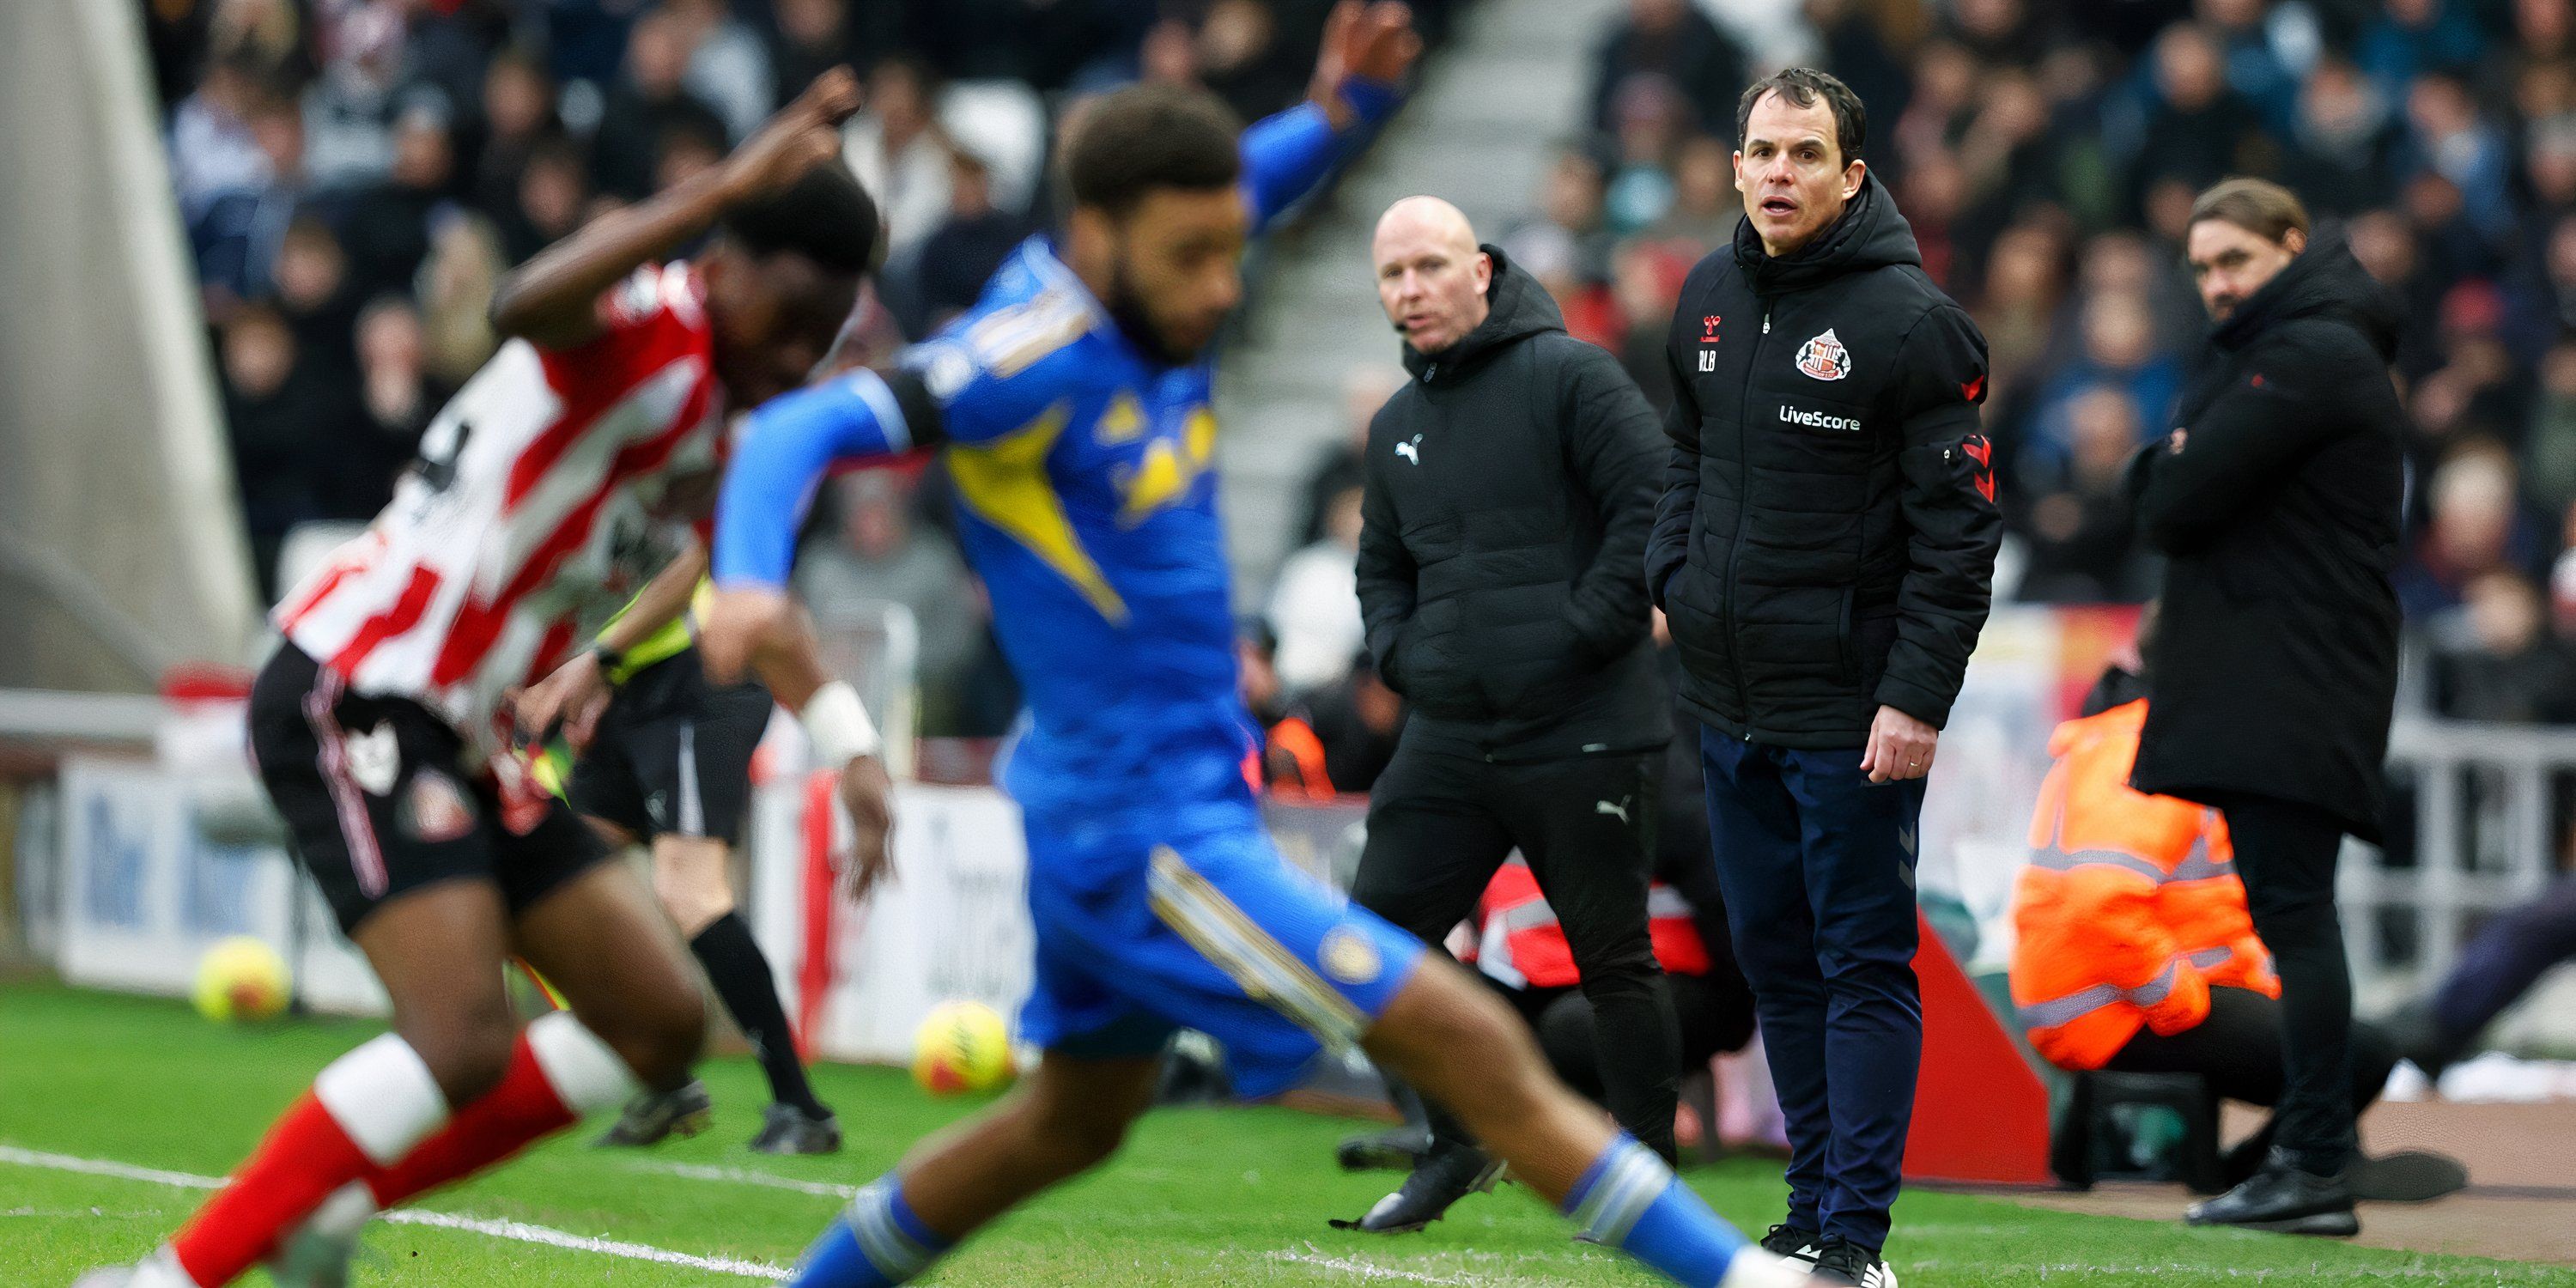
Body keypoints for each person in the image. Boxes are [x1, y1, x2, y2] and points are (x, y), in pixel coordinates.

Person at [698, 10, 1804, 1287]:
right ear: (1095, 233)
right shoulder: (1023, 356)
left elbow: (1255, 181)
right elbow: (790, 432)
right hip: (1143, 828)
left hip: (1142, 795)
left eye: (1231, 248)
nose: (1223, 286)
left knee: (1066, 1125)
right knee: (1465, 1039)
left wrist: (1340, 111)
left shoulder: (1167, 266)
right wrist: (746, 580)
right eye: (1193, 258)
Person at [77, 74, 890, 1288]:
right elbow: (522, 302)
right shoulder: (648, 325)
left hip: (462, 727)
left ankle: (322, 1208)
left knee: (658, 1019)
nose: (793, 357)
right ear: (725, 268)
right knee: (463, 1035)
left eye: (818, 339)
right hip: (364, 678)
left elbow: (749, 595)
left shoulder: (742, 421)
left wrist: (851, 741)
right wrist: (720, 186)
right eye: (784, 322)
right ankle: (166, 1280)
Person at [1645, 67, 2001, 1287]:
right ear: (1735, 167)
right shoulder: (1706, 294)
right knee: (1774, 960)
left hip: (1852, 713)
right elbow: (1684, 455)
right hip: (1727, 698)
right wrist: (1673, 575)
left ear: (1853, 176)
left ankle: (1856, 1239)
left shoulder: (1913, 324)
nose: (1778, 173)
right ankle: (1806, 1212)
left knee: (1860, 963)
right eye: (1762, 152)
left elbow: (1960, 537)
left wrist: (1916, 699)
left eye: (1804, 154)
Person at [1339, 194, 1680, 1233]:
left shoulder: (1572, 376)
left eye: (1431, 267)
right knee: (1366, 941)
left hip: (1585, 719)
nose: (1411, 290)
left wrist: (1579, 633)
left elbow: (1654, 504)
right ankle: (1460, 1136)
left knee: (1612, 960)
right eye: (1393, 275)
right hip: (1452, 730)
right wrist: (1404, 655)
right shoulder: (1396, 425)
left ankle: (1647, 1186)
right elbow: (1381, 568)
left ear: (1481, 270)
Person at [2125, 177, 2405, 1236]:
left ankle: (2315, 1165)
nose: (2217, 284)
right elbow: (2179, 487)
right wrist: (2175, 463)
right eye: (2202, 267)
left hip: (2296, 680)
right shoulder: (2294, 351)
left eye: (2235, 259)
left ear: (2293, 244)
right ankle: (2307, 1157)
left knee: (2297, 919)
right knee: (2296, 917)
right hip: (2293, 675)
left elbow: (2173, 498)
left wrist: (2169, 461)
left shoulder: (2310, 353)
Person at [2008, 660, 2461, 1201]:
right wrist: (2178, 1000)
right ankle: (2288, 1165)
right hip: (2114, 1007)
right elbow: (2100, 900)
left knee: (2338, 1034)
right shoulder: (2144, 753)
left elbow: (2198, 909)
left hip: (2112, 995)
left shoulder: (2148, 743)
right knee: (2358, 1053)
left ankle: (2290, 1161)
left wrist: (2259, 988)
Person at [523, 543, 844, 1156]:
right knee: (558, 884)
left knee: (690, 891)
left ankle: (801, 1109)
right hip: (627, 691)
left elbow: (688, 559)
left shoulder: (654, 490)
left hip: (698, 682)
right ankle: (665, 1082)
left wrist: (598, 658)